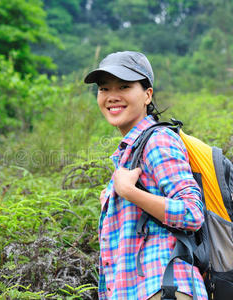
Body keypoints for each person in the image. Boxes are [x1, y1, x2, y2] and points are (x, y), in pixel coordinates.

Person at [84, 51, 207, 300]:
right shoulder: (131, 150)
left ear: (147, 94)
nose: (112, 97)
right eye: (104, 89)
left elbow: (192, 212)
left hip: (165, 287)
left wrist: (129, 192)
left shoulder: (158, 140)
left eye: (124, 87)